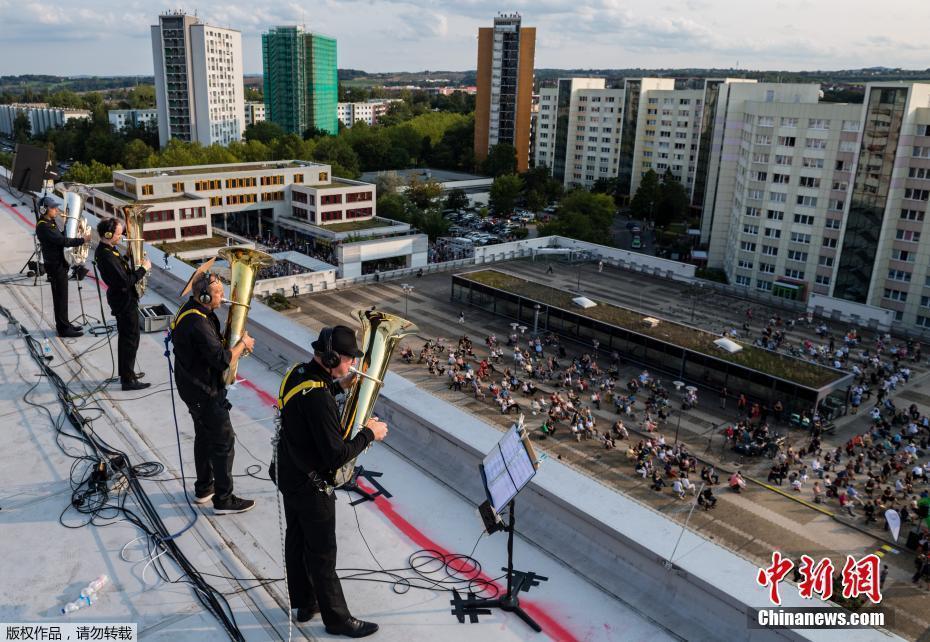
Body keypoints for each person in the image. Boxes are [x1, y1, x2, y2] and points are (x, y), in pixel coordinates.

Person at [274, 325, 387, 637]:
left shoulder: (297, 373)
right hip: (313, 486)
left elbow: (307, 403)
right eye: (349, 360)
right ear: (332, 356)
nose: (351, 365)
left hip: (289, 474)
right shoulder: (319, 398)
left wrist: (338, 385)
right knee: (322, 554)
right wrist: (369, 434)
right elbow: (337, 455)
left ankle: (305, 602)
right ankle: (337, 619)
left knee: (296, 540)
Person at [171, 259, 256, 515]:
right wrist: (242, 345)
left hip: (192, 388)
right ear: (205, 295)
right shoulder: (198, 322)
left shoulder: (193, 311)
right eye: (219, 292)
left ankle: (204, 488)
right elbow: (221, 360)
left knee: (204, 437)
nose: (224, 296)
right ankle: (223, 499)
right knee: (223, 441)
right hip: (204, 392)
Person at [94, 217, 151, 391]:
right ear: (109, 234)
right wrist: (144, 269)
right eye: (118, 234)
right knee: (130, 340)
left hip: (123, 299)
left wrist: (127, 256)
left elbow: (119, 269)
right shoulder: (106, 254)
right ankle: (128, 380)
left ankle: (128, 373)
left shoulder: (109, 249)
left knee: (128, 338)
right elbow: (125, 281)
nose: (121, 237)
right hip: (124, 301)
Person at [35, 196, 90, 337]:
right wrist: (82, 240)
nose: (56, 210)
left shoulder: (50, 222)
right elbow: (61, 240)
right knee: (60, 298)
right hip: (55, 266)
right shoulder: (43, 226)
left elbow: (61, 236)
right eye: (53, 208)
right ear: (44, 209)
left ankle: (65, 324)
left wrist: (71, 227)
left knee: (62, 297)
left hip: (60, 264)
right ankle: (63, 329)